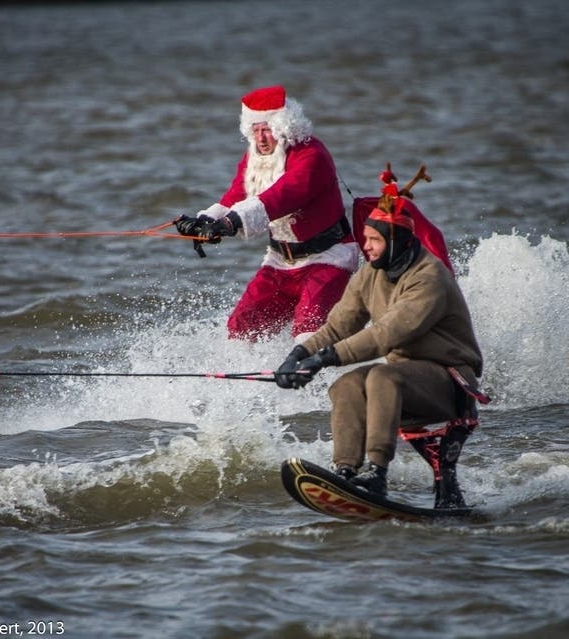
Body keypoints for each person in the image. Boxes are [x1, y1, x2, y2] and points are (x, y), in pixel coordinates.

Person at [274, 174, 483, 497]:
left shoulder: (429, 277)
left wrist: (324, 359)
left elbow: (387, 334)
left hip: (452, 382)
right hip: (406, 378)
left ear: (396, 240)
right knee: (346, 385)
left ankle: (377, 473)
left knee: (382, 378)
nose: (365, 246)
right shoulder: (370, 273)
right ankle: (345, 471)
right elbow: (337, 326)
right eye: (365, 238)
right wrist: (298, 355)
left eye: (373, 239)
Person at [175, 85, 359, 342]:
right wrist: (206, 221)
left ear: (284, 128)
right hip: (280, 262)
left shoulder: (311, 156)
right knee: (240, 328)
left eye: (268, 130)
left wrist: (231, 223)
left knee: (307, 331)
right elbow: (237, 195)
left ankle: (319, 379)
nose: (261, 138)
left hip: (327, 260)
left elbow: (280, 198)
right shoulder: (255, 157)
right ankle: (244, 379)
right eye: (256, 130)